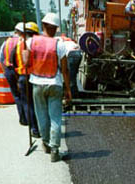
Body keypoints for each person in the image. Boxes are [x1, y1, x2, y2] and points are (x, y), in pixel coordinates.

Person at [22, 13, 72, 162]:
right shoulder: (60, 44)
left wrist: (25, 50)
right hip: (54, 84)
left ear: (43, 26)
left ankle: (46, 144)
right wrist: (68, 90)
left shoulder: (31, 42)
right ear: (56, 28)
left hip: (37, 84)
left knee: (41, 116)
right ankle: (55, 151)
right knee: (55, 118)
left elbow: (25, 63)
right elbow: (65, 70)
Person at [12, 22, 40, 138]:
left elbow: (13, 63)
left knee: (28, 104)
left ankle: (34, 129)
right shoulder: (38, 45)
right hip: (36, 77)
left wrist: (18, 79)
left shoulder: (18, 45)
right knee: (37, 103)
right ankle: (40, 127)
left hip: (23, 76)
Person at [0, 22, 27, 125]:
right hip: (22, 71)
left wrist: (5, 72)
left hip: (9, 70)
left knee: (17, 96)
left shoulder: (6, 42)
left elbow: (0, 60)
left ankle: (22, 119)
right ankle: (29, 119)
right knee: (26, 95)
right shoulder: (24, 41)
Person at [58, 34, 82, 98]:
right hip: (78, 53)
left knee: (70, 77)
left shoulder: (59, 41)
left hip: (71, 53)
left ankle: (72, 95)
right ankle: (75, 93)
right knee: (73, 76)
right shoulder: (70, 41)